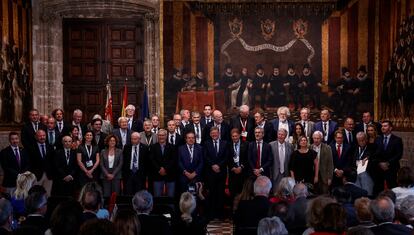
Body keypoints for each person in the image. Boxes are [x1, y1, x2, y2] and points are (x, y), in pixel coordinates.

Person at [203, 126, 228, 219]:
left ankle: (220, 214)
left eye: (216, 133)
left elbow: (226, 157)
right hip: (210, 173)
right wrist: (213, 165)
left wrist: (219, 166)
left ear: (219, 133)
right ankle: (211, 214)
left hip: (221, 172)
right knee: (212, 193)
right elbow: (205, 157)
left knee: (220, 194)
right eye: (212, 133)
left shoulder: (225, 143)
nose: (214, 134)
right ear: (210, 134)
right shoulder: (206, 143)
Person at [372, 120, 403, 195]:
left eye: (385, 126)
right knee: (378, 189)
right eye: (382, 126)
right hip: (379, 168)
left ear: (390, 128)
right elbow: (374, 154)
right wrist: (380, 163)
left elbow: (399, 154)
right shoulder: (377, 139)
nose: (383, 127)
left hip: (392, 168)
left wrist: (387, 163)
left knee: (392, 189)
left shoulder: (397, 140)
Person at [151, 129, 177, 197]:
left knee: (170, 197)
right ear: (157, 136)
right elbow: (152, 160)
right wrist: (159, 169)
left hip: (170, 175)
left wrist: (165, 169)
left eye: (163, 135)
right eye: (159, 135)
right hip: (157, 175)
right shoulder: (153, 147)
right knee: (157, 197)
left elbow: (173, 160)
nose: (161, 137)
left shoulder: (172, 147)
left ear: (166, 136)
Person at [27, 129, 54, 196]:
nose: (42, 137)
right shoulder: (30, 148)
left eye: (44, 135)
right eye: (40, 136)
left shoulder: (50, 147)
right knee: (34, 195)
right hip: (36, 175)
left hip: (49, 175)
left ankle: (46, 206)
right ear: (36, 137)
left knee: (48, 194)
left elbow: (53, 161)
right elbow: (29, 163)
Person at [352, 132, 375, 196]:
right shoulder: (355, 148)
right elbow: (352, 161)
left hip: (367, 174)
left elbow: (375, 157)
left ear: (366, 139)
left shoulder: (372, 148)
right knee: (358, 194)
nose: (361, 142)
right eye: (359, 141)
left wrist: (368, 158)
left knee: (367, 194)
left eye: (363, 140)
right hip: (356, 174)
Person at [228, 128, 248, 198]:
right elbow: (227, 158)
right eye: (233, 136)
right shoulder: (228, 145)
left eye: (236, 136)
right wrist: (233, 167)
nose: (234, 138)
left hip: (242, 172)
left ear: (239, 135)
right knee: (232, 193)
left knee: (242, 193)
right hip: (232, 173)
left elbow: (247, 158)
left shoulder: (246, 144)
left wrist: (241, 167)